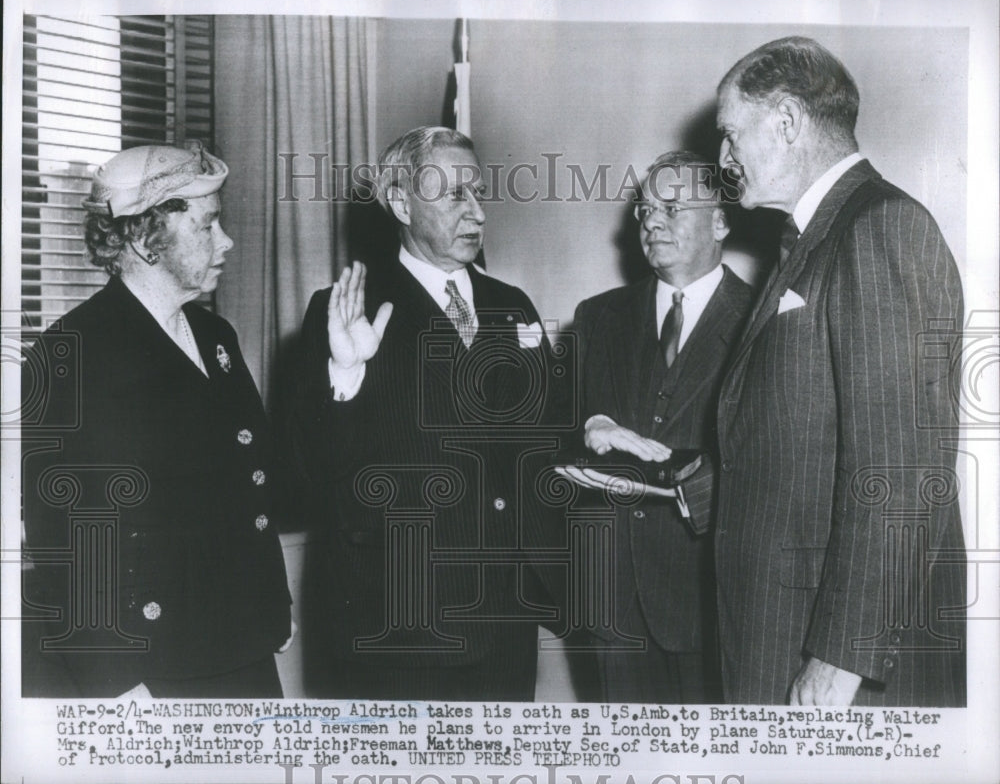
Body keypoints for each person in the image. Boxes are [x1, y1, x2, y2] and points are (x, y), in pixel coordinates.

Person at [714, 36, 965, 706]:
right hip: (778, 638)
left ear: (789, 122)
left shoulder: (881, 228)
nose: (722, 159)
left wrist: (839, 660)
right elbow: (793, 451)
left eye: (731, 135)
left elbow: (902, 469)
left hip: (833, 669)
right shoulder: (808, 241)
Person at [284, 126, 562, 700]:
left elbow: (548, 443)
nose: (477, 213)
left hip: (505, 622)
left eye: (478, 192)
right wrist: (347, 373)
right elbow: (311, 472)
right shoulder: (346, 312)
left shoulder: (513, 307)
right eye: (454, 194)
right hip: (399, 623)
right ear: (399, 202)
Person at [21, 142, 293, 697]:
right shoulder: (71, 355)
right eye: (207, 226)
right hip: (156, 665)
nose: (227, 241)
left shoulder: (216, 338)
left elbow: (249, 484)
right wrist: (114, 679)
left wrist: (273, 600)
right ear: (146, 239)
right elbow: (67, 539)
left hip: (242, 641)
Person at [564, 152, 752, 703]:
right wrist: (589, 424)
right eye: (645, 210)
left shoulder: (762, 320)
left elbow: (770, 458)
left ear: (720, 221)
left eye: (672, 207)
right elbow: (555, 427)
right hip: (611, 604)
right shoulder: (596, 317)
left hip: (710, 602)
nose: (651, 222)